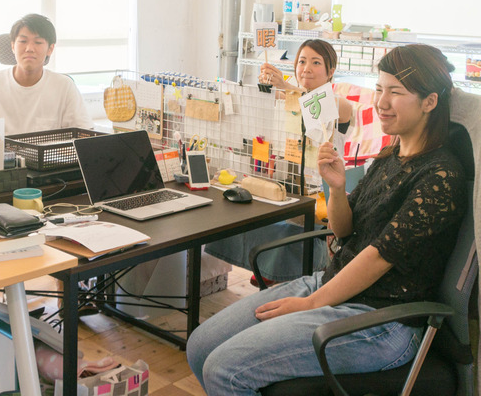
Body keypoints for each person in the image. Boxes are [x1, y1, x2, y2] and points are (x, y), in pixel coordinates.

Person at [187, 44, 465, 395]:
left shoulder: (440, 176)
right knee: (199, 346)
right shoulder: (389, 156)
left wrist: (311, 304)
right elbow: (344, 230)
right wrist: (336, 188)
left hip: (383, 319)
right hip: (332, 284)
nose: (381, 102)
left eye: (395, 92)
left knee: (224, 369)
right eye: (379, 89)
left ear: (429, 102)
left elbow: (377, 257)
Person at [205, 39, 352, 285]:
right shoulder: (289, 98)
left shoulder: (341, 105)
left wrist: (286, 86)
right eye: (302, 61)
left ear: (331, 71)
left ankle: (278, 275)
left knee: (286, 227)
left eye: (316, 63)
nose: (307, 68)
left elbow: (316, 103)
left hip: (323, 195)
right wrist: (270, 86)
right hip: (288, 184)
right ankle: (265, 270)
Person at [0, 13, 93, 135]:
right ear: (12, 46)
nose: (29, 48)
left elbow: (83, 133)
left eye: (38, 42)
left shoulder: (64, 86)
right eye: (23, 41)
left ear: (50, 49)